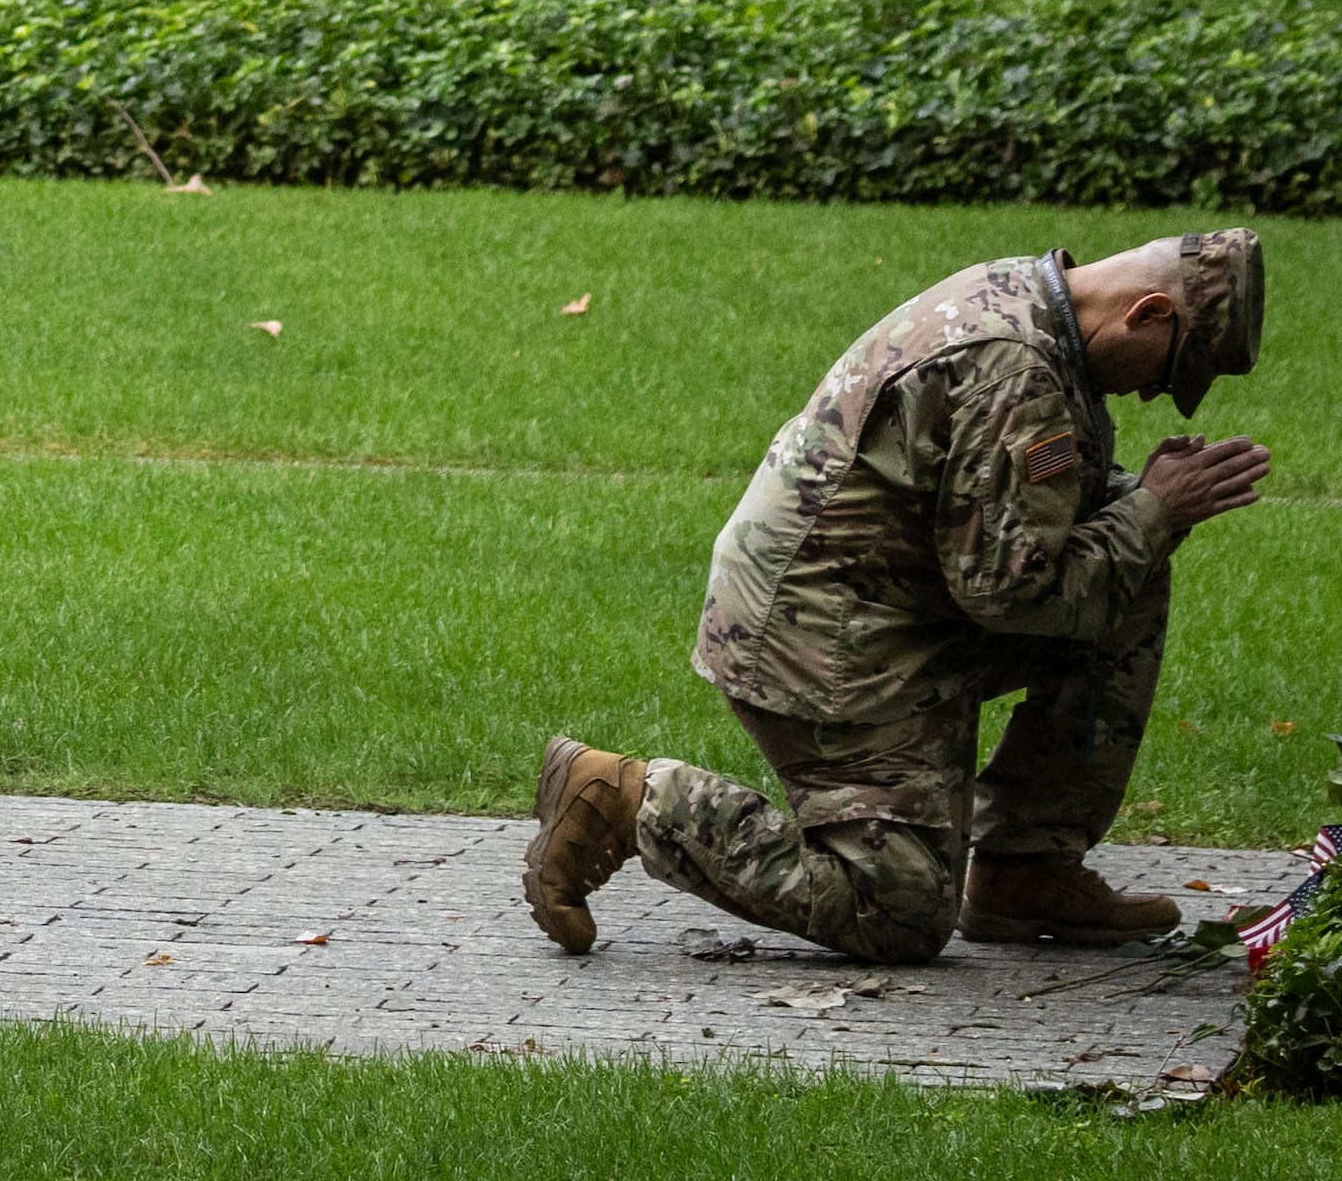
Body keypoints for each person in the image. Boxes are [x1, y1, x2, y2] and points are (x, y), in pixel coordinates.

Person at [520, 232, 1273, 965]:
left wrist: (1140, 509)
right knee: (898, 907)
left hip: (887, 605)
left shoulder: (1032, 301)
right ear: (1148, 313)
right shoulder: (1019, 368)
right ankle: (632, 799)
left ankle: (1025, 869)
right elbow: (1008, 594)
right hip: (823, 640)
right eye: (1169, 370)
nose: (1150, 392)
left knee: (1132, 570)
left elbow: (1018, 527)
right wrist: (1152, 512)